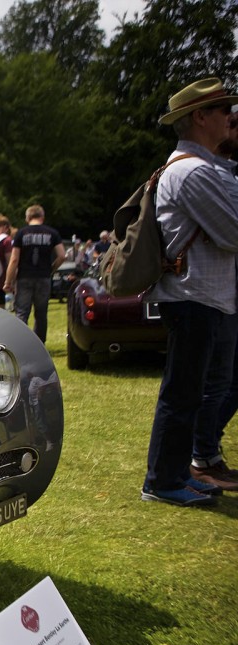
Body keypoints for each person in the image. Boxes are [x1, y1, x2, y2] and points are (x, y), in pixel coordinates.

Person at [140, 77, 238, 507]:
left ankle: (177, 474)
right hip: (193, 296)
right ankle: (161, 481)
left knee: (190, 392)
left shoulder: (198, 168)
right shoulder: (192, 171)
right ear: (200, 117)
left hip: (201, 296)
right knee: (182, 394)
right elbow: (234, 231)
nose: (230, 118)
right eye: (222, 111)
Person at [189, 107, 238, 493]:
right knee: (213, 381)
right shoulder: (205, 173)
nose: (228, 123)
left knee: (221, 380)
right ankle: (201, 454)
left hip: (220, 293)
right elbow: (231, 233)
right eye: (227, 117)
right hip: (208, 293)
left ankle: (205, 452)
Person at [3, 205, 64, 342]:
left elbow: (14, 259)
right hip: (43, 277)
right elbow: (61, 256)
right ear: (42, 217)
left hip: (24, 277)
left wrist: (8, 281)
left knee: (22, 313)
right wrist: (51, 269)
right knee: (41, 314)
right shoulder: (52, 233)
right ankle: (39, 345)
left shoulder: (21, 233)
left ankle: (20, 344)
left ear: (27, 218)